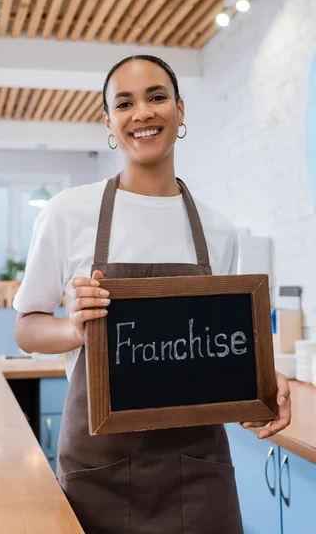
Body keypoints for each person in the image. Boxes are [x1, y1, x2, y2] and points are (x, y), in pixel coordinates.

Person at [14, 55, 291, 534]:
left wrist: (261, 382)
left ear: (181, 110)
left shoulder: (218, 231)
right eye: (125, 103)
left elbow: (215, 346)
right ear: (109, 122)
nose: (142, 112)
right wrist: (72, 328)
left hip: (199, 474)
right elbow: (26, 327)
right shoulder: (68, 213)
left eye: (157, 97)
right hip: (98, 476)